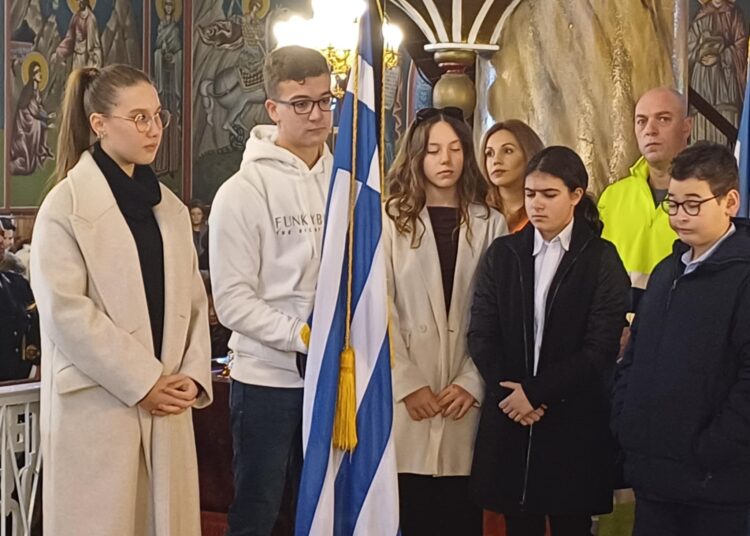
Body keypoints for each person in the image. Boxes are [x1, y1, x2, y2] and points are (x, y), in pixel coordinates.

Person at [30, 64, 212, 536]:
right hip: (100, 403)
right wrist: (144, 380)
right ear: (99, 124)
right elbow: (66, 313)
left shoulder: (169, 208)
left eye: (158, 116)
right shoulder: (65, 207)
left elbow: (194, 302)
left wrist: (191, 376)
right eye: (139, 118)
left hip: (168, 399)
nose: (154, 129)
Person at [468, 146, 629, 536]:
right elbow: (482, 333)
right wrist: (513, 395)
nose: (537, 204)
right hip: (512, 415)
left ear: (575, 195)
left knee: (571, 524)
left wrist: (536, 393)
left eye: (549, 194)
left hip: (572, 421)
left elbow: (600, 347)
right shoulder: (504, 253)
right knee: (518, 522)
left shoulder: (600, 258)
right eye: (530, 194)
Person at [209, 46, 333, 535]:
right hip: (268, 380)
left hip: (337, 374)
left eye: (325, 100)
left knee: (325, 507)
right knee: (260, 511)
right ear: (273, 108)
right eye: (300, 103)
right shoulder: (242, 191)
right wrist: (304, 335)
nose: (316, 114)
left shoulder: (348, 183)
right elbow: (232, 302)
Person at [611, 142, 750, 536]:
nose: (679, 216)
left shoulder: (743, 275)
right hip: (653, 478)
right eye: (673, 204)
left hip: (715, 485)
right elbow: (634, 355)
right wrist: (625, 419)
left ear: (730, 202)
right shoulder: (666, 270)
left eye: (693, 204)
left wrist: (711, 448)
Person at [384, 106, 508, 536]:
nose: (446, 159)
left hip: (463, 395)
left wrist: (473, 382)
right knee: (412, 513)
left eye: (456, 149)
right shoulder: (389, 219)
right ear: (417, 155)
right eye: (434, 150)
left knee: (460, 517)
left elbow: (500, 313)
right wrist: (406, 382)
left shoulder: (490, 222)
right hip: (407, 395)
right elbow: (380, 308)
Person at [598, 87, 692, 310]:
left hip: (681, 319)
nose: (650, 130)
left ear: (687, 127)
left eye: (663, 119)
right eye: (641, 121)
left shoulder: (707, 198)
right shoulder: (613, 196)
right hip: (618, 324)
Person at [481, 120, 544, 233]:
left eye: (508, 151)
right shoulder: (477, 212)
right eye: (489, 154)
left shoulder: (546, 210)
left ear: (529, 154)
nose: (496, 160)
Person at [10, 60, 55, 176]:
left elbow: (38, 108)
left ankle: (41, 151)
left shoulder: (36, 90)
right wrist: (45, 118)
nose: (40, 74)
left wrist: (47, 116)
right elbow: (32, 109)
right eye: (37, 72)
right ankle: (37, 153)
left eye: (40, 71)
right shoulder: (28, 89)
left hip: (31, 116)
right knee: (37, 125)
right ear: (33, 75)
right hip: (24, 120)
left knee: (40, 125)